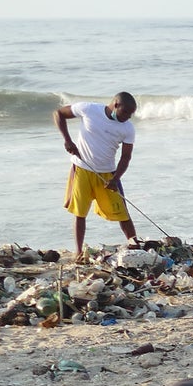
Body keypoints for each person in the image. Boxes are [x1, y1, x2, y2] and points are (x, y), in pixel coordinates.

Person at [54, 94, 139, 261]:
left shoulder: (128, 128)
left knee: (122, 213)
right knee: (80, 213)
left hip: (108, 173)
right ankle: (78, 252)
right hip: (82, 168)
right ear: (115, 104)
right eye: (126, 112)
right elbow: (59, 114)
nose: (128, 117)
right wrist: (67, 140)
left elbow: (126, 157)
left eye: (131, 114)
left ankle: (135, 245)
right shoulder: (89, 109)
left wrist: (116, 178)